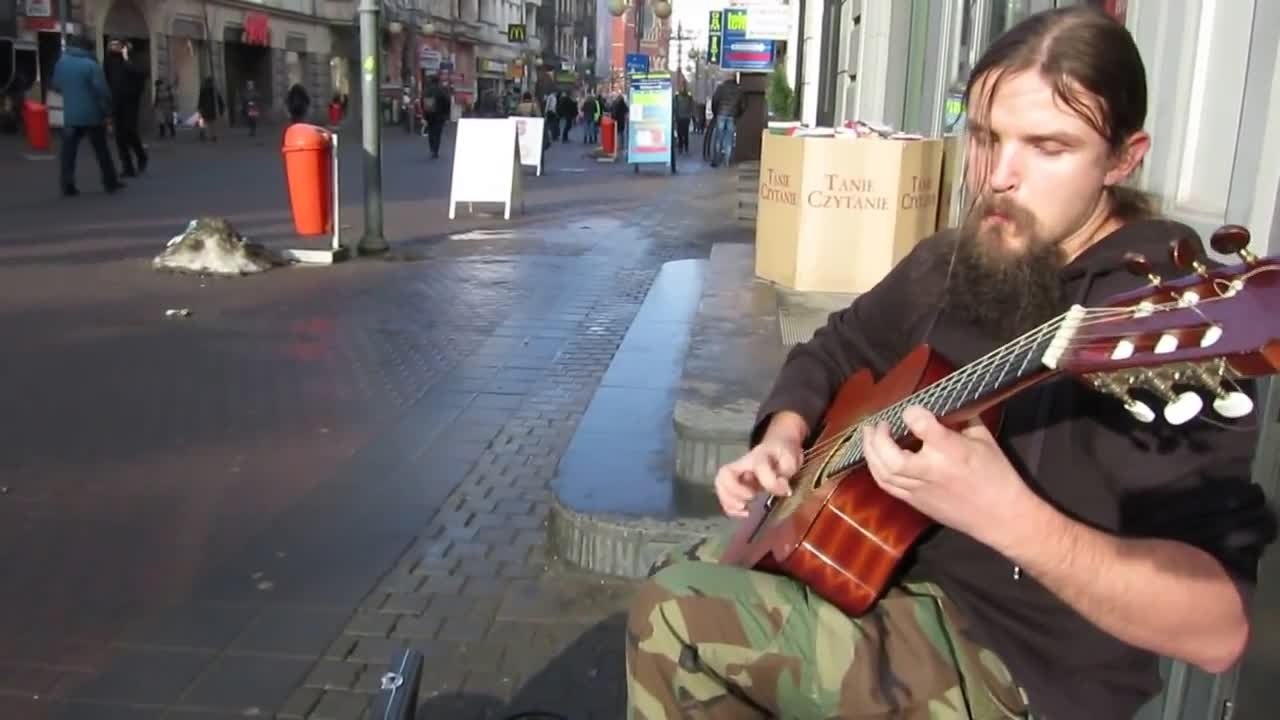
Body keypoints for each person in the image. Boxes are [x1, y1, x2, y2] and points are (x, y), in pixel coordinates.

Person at [625, 7, 1278, 720]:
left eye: (1047, 147)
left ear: (1123, 159)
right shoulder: (955, 258)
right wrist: (785, 436)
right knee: (686, 563)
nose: (999, 176)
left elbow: (1218, 631)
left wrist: (1010, 517)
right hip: (883, 573)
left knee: (678, 619)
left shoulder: (1160, 323)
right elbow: (837, 346)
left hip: (1012, 666)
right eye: (985, 138)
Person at [49, 35, 122, 196]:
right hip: (91, 114)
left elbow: (55, 85)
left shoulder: (61, 63)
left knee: (68, 152)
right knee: (101, 149)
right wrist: (108, 110)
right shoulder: (91, 65)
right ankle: (110, 182)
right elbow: (101, 91)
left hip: (69, 115)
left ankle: (67, 185)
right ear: (88, 49)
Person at [103, 39, 148, 176]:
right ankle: (127, 166)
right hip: (116, 101)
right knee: (119, 136)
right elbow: (106, 79)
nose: (114, 47)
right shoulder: (108, 61)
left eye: (117, 45)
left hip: (131, 101)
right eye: (112, 44)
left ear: (124, 47)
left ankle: (141, 155)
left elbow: (141, 73)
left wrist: (126, 58)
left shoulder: (131, 59)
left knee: (130, 130)